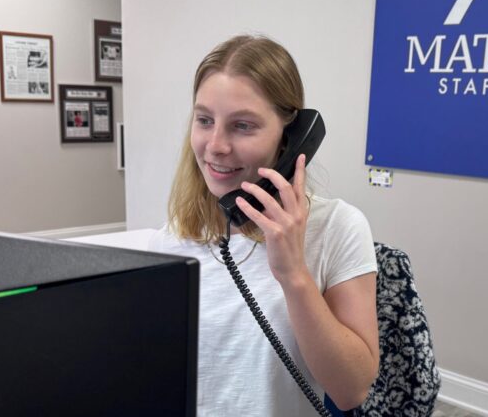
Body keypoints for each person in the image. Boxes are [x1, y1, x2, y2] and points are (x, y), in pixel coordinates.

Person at [148, 35, 379, 415]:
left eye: (242, 126)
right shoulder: (174, 234)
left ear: (291, 138)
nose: (216, 145)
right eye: (204, 120)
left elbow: (351, 389)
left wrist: (294, 275)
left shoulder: (339, 227)